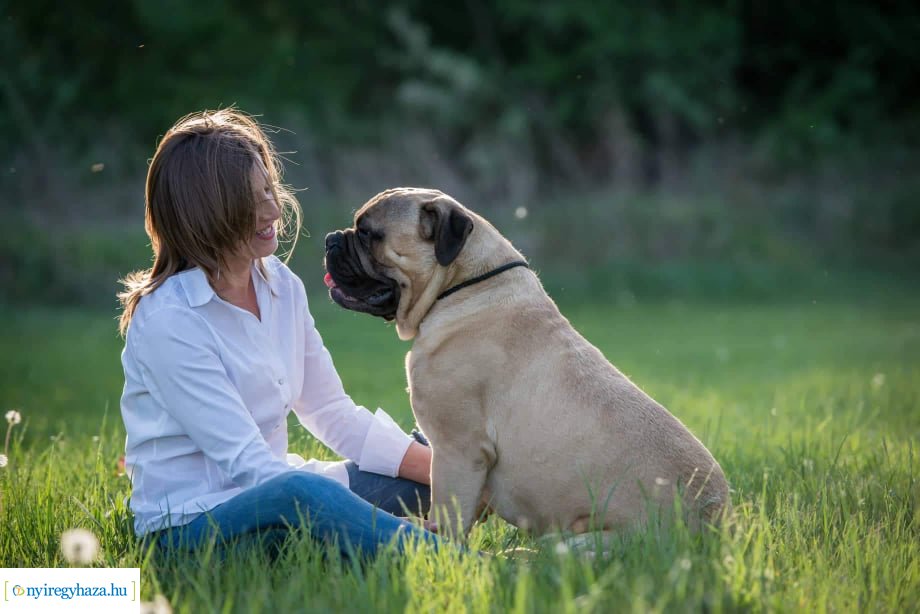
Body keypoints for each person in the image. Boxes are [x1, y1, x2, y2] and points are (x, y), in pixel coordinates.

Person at [117, 108, 437, 557]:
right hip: (195, 530)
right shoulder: (169, 322)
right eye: (251, 200)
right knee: (307, 494)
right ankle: (458, 561)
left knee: (438, 453)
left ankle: (551, 513)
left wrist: (443, 471)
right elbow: (251, 467)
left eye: (269, 187)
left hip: (285, 490)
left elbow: (331, 411)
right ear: (206, 214)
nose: (272, 208)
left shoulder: (279, 284)